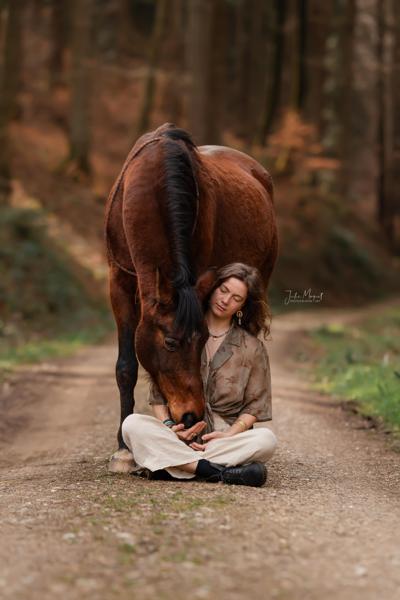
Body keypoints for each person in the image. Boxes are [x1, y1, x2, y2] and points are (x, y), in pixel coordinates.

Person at [122, 262, 277, 487]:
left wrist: (230, 434)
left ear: (243, 306)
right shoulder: (180, 333)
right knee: (131, 424)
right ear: (212, 289)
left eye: (236, 298)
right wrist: (168, 427)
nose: (225, 300)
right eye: (223, 291)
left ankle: (173, 465)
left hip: (221, 440)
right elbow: (158, 394)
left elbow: (255, 406)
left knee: (266, 440)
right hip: (176, 436)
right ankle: (216, 471)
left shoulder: (252, 348)